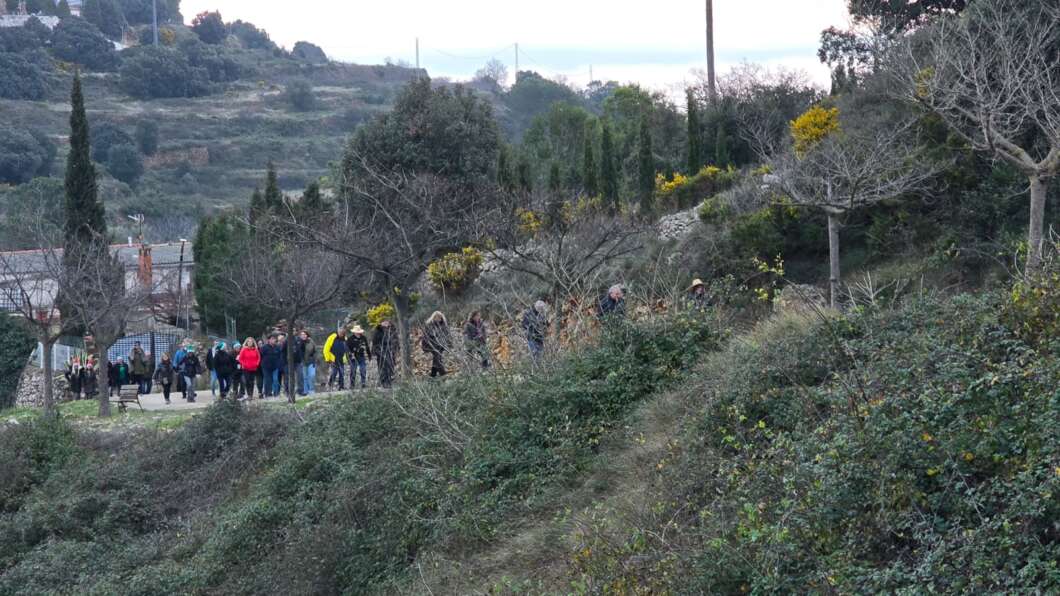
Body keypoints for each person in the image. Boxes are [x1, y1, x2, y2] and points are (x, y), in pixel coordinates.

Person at [422, 311, 452, 378]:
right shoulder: (429, 325)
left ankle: (433, 375)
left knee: (437, 359)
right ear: (433, 317)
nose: (438, 319)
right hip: (433, 345)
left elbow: (447, 334)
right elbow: (428, 335)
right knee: (438, 359)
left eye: (440, 317)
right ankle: (443, 374)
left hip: (441, 345)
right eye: (437, 317)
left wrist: (448, 343)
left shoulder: (444, 325)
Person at [373, 320, 400, 389]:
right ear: (381, 323)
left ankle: (389, 381)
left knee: (391, 366)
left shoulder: (392, 330)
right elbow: (375, 343)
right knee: (383, 367)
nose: (386, 323)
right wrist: (377, 351)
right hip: (381, 351)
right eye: (384, 322)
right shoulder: (378, 331)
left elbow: (396, 339)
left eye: (387, 322)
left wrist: (397, 348)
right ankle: (384, 382)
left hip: (390, 351)